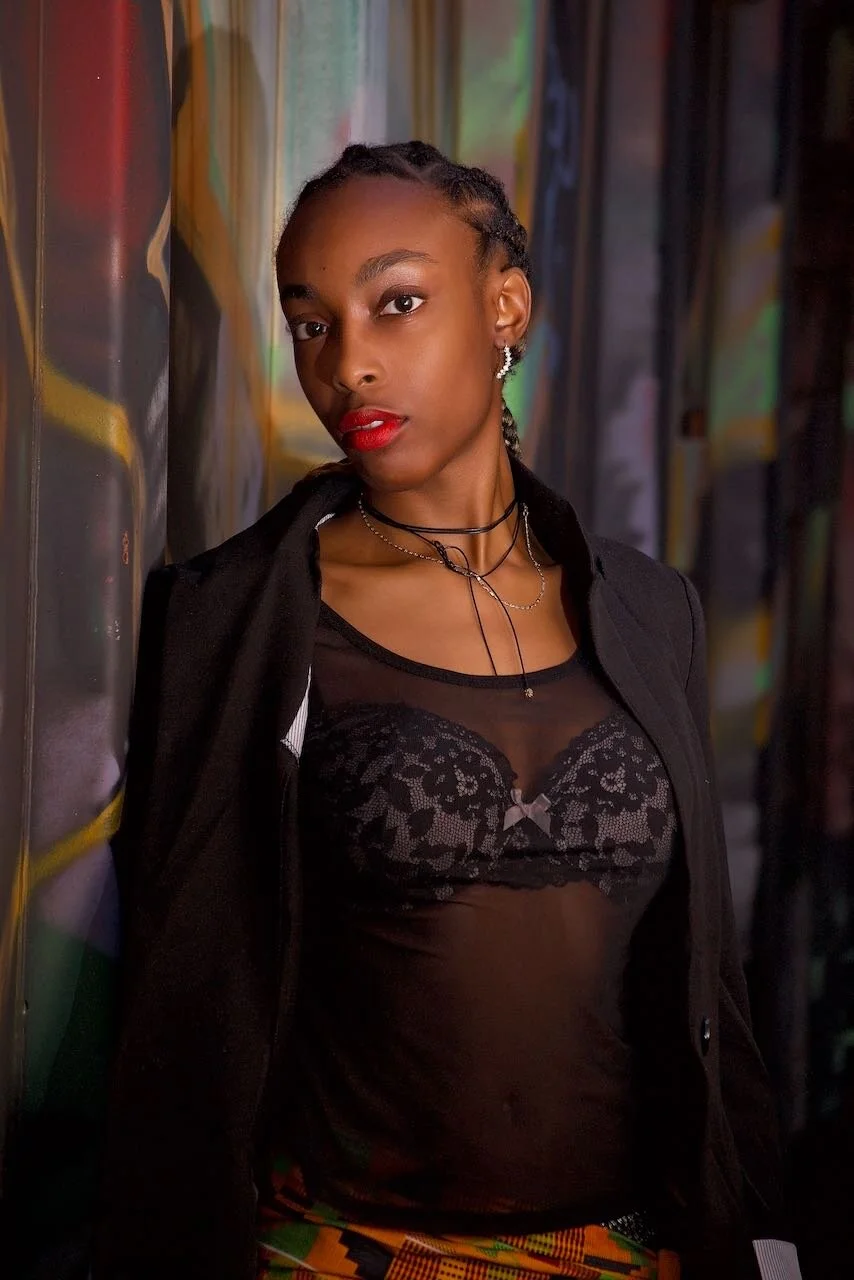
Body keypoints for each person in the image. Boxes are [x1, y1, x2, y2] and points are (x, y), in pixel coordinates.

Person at [93, 142, 801, 1280]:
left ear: (503, 302)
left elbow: (705, 968)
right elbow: (183, 988)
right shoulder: (240, 618)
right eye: (312, 322)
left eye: (397, 302)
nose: (347, 367)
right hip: (344, 1252)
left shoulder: (645, 607)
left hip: (627, 1248)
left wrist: (759, 1232)